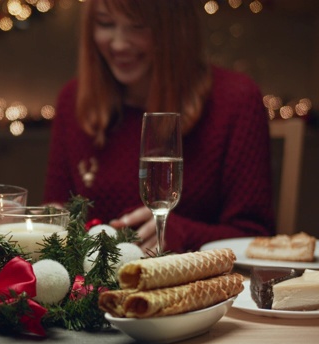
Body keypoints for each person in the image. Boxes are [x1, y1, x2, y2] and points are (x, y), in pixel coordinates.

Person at [43, 0, 275, 254]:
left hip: (199, 288)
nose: (119, 44)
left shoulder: (235, 101)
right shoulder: (73, 100)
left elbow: (255, 237)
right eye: (105, 23)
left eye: (138, 26)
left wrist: (182, 235)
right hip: (95, 288)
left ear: (177, 29)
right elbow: (56, 213)